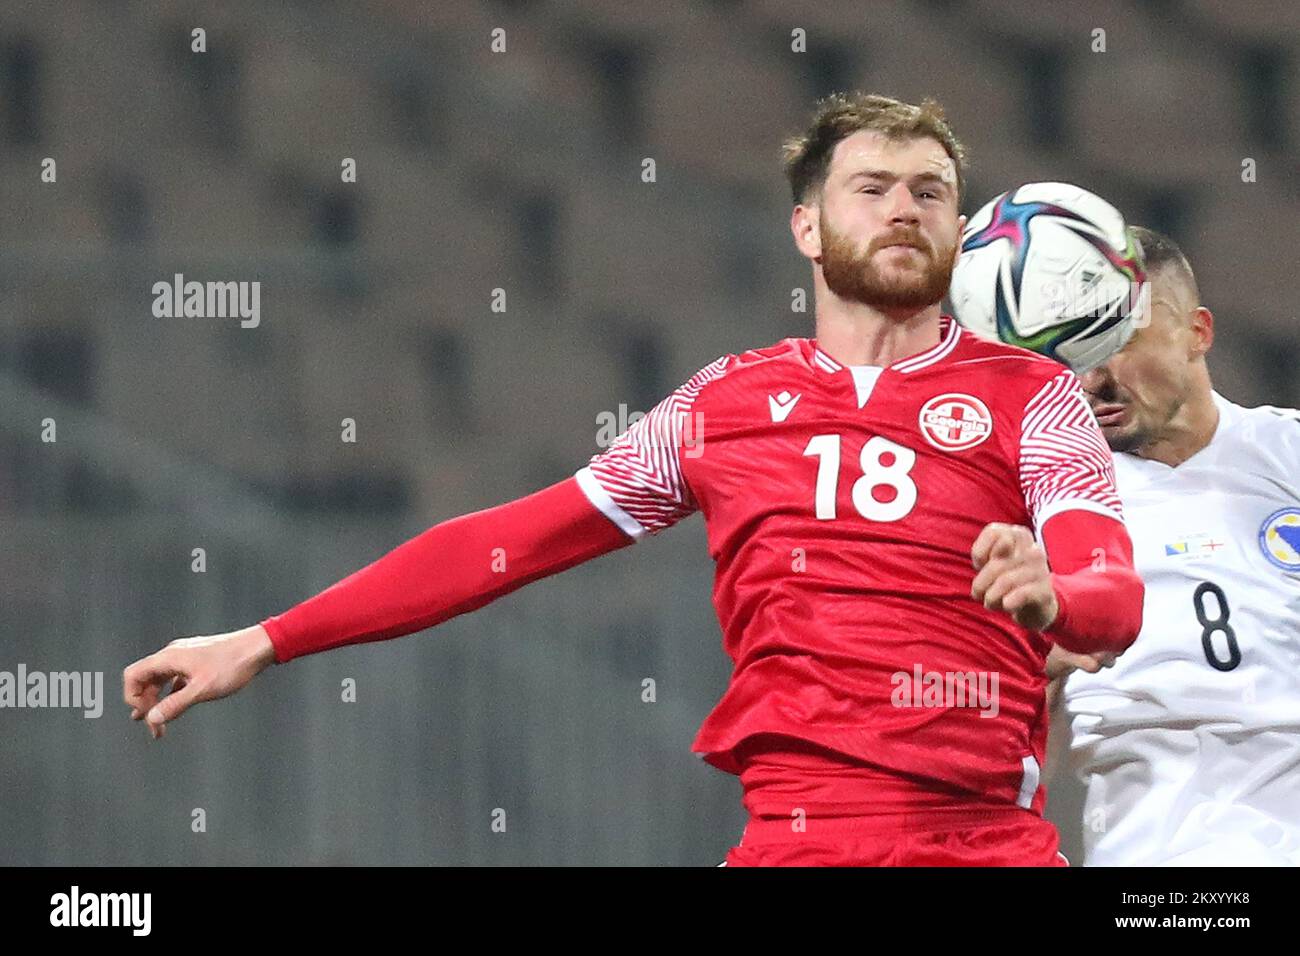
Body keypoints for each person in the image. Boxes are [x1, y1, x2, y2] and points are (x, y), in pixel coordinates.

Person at [123, 92, 1143, 866]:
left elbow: (1114, 601)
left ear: (961, 230)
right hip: (792, 841)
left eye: (930, 192)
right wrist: (264, 637)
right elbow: (506, 542)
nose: (903, 209)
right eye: (870, 188)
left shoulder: (1033, 398)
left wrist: (1056, 593)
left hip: (982, 844)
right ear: (805, 228)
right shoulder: (721, 404)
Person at [1048, 226, 1300, 865]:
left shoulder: (1289, 454)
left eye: (1116, 340)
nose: (1093, 376)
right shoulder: (1056, 507)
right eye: (1075, 348)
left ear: (1198, 331)